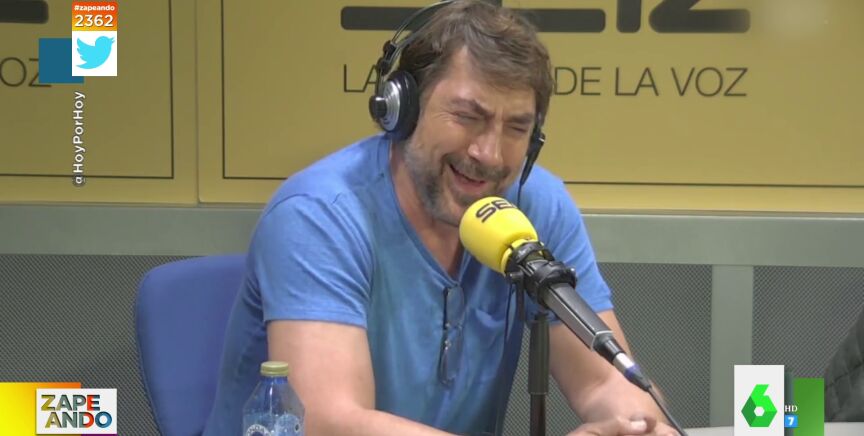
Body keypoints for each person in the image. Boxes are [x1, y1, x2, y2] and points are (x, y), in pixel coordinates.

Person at [205, 1, 678, 435]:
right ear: (403, 109)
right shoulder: (319, 216)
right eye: (468, 116)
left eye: (516, 128)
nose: (490, 154)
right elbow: (329, 421)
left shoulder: (536, 206)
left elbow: (603, 382)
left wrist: (633, 424)